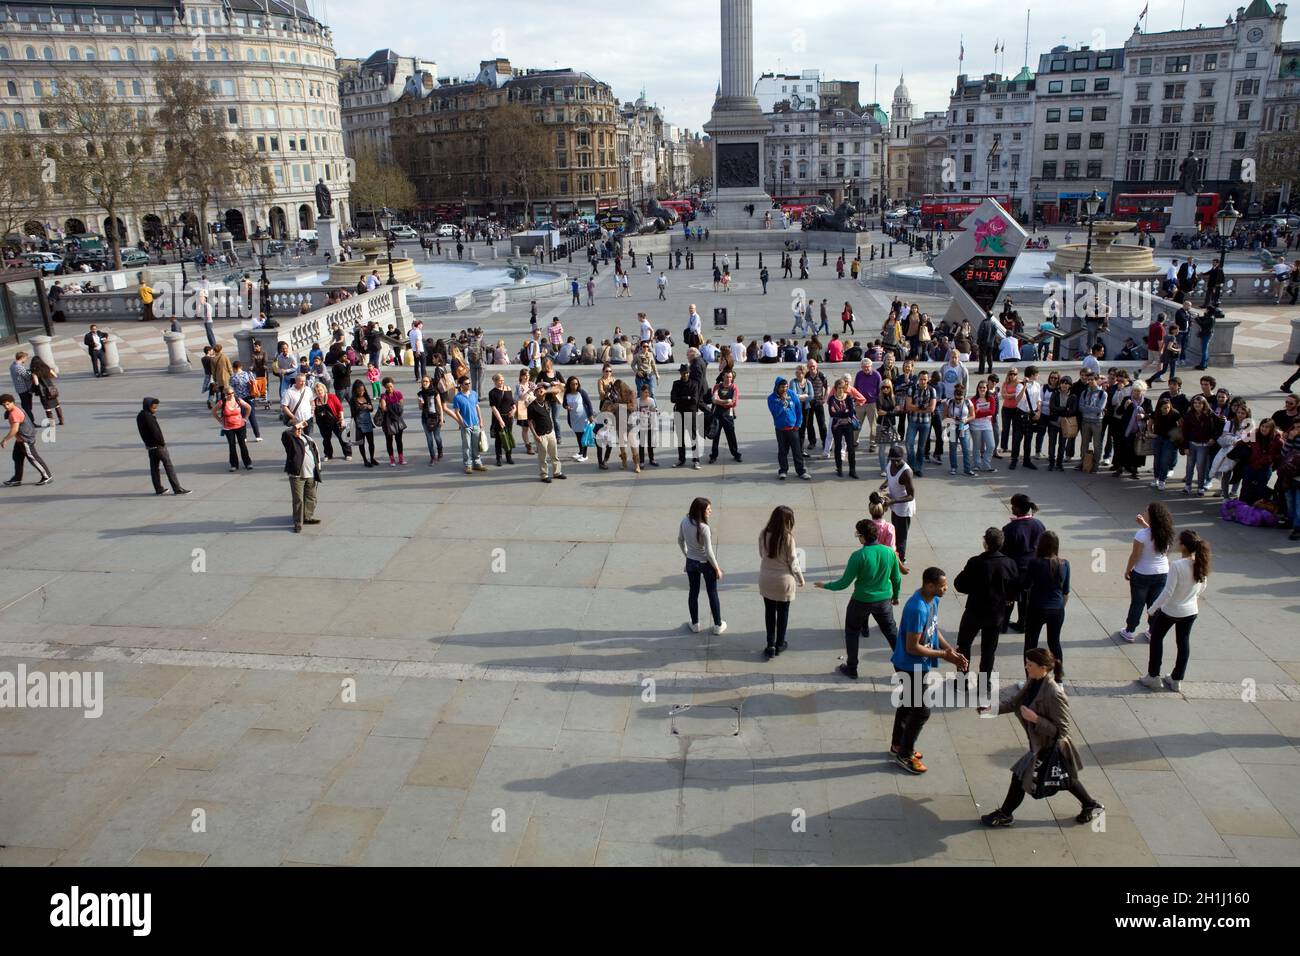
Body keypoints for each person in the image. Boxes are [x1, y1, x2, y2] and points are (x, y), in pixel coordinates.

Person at [978, 647, 1103, 827]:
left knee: (1020, 777)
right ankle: (1091, 805)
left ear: (1043, 667)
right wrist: (992, 710)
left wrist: (1036, 719)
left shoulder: (1054, 693)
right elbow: (1015, 702)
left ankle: (1005, 814)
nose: (1026, 667)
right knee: (1065, 779)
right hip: (1040, 745)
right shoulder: (1033, 680)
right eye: (1026, 664)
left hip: (1049, 747)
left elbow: (1062, 730)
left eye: (1030, 665)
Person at [891, 568, 966, 774]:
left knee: (907, 705)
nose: (946, 588)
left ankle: (898, 744)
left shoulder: (933, 600)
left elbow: (933, 628)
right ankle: (905, 754)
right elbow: (912, 647)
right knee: (922, 710)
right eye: (942, 585)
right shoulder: (917, 608)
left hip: (918, 664)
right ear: (929, 585)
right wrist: (943, 655)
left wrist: (948, 649)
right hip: (910, 665)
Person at [817, 518, 901, 678]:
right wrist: (895, 596)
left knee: (852, 631)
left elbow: (843, 583)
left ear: (862, 537)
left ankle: (852, 668)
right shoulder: (889, 552)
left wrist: (825, 585)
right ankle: (904, 666)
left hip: (861, 601)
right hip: (884, 601)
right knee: (891, 633)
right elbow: (896, 578)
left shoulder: (858, 556)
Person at [1140, 530, 1211, 693]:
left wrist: (1152, 609)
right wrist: (1193, 596)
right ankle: (1177, 679)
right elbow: (1203, 585)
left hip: (1171, 610)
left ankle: (1153, 676)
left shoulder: (1177, 566)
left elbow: (1167, 592)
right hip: (1190, 610)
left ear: (1184, 546)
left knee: (1157, 638)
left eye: (1180, 541)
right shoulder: (1201, 562)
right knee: (1183, 642)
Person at [954, 527, 1020, 677]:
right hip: (996, 614)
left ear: (985, 543)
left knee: (964, 645)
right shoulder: (1009, 563)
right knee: (988, 650)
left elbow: (959, 584)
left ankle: (962, 679)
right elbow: (1015, 588)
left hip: (974, 611)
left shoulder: (975, 562)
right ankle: (984, 685)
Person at [1119, 501, 1174, 643]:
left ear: (1152, 516)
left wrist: (1128, 569)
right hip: (1162, 573)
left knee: (1137, 603)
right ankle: (1152, 631)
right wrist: (1144, 524)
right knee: (1154, 603)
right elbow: (1153, 535)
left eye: (1146, 511)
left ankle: (1130, 631)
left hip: (1142, 573)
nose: (1143, 512)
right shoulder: (1166, 533)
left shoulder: (1141, 534)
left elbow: (1135, 555)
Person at [757, 506, 805, 658]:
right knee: (783, 613)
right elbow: (794, 562)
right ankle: (780, 643)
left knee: (769, 613)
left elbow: (761, 554)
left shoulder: (763, 534)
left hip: (766, 579)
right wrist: (801, 579)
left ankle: (770, 644)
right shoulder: (788, 538)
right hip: (784, 582)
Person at [1022, 531, 1070, 675]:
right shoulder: (1064, 564)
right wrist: (1060, 607)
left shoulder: (1035, 563)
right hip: (1057, 609)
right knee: (1054, 643)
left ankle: (1031, 679)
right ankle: (1058, 678)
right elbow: (1066, 591)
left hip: (1037, 608)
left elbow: (1025, 585)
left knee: (1030, 645)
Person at [678, 497, 725, 634]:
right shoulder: (704, 528)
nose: (710, 511)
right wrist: (717, 568)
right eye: (708, 509)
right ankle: (718, 625)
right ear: (701, 511)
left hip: (691, 562)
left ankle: (695, 623)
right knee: (712, 593)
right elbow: (709, 552)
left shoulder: (684, 521)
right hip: (705, 563)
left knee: (693, 592)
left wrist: (687, 555)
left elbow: (680, 540)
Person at [1001, 494, 1044, 633]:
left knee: (1009, 597)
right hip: (1032, 568)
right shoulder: (1039, 525)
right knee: (1026, 598)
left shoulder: (1010, 529)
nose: (1011, 508)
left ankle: (1003, 624)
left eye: (1013, 505)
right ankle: (1022, 624)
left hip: (1015, 569)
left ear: (1018, 509)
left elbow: (1004, 551)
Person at [136, 397, 191, 496]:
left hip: (150, 447)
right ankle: (177, 488)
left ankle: (158, 488)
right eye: (154, 407)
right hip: (158, 447)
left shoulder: (140, 416)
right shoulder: (149, 417)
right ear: (148, 407)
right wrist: (162, 443)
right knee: (169, 466)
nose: (155, 410)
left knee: (154, 468)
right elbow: (155, 432)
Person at [0, 393, 52, 487]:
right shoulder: (16, 408)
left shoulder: (14, 414)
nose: (6, 407)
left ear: (12, 402)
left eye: (8, 404)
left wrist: (5, 439)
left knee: (33, 458)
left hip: (25, 440)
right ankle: (17, 479)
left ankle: (47, 476)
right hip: (21, 439)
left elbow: (15, 429)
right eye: (4, 405)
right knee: (17, 458)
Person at [282, 419, 323, 533]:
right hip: (297, 475)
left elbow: (316, 452)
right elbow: (286, 433)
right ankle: (298, 522)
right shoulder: (289, 440)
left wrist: (318, 467)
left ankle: (307, 517)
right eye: (296, 429)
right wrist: (296, 425)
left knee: (311, 497)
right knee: (298, 499)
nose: (299, 430)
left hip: (311, 473)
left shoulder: (308, 439)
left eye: (300, 429)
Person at [768, 377, 808, 480]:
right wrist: (782, 401)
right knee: (782, 451)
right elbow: (775, 413)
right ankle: (783, 470)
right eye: (782, 387)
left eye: (786, 387)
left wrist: (798, 424)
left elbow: (799, 410)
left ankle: (801, 471)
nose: (785, 389)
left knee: (797, 451)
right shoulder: (771, 398)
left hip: (793, 428)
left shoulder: (792, 394)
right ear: (777, 387)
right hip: (780, 429)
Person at [446, 376, 486, 474]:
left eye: (469, 383)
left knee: (476, 445)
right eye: (466, 384)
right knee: (467, 446)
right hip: (466, 425)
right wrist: (462, 422)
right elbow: (457, 411)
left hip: (475, 423)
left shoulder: (474, 394)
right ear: (461, 385)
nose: (468, 385)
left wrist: (481, 420)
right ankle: (468, 465)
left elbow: (477, 407)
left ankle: (477, 463)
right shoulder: (457, 397)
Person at [526, 388, 564, 482]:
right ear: (535, 393)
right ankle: (544, 475)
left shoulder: (546, 402)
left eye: (543, 392)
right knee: (543, 457)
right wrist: (535, 436)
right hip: (540, 435)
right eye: (539, 391)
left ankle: (557, 472)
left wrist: (546, 391)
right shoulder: (532, 406)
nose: (542, 393)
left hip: (550, 432)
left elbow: (558, 391)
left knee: (554, 455)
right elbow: (530, 423)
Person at [213, 386, 253, 473]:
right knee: (232, 445)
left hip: (240, 425)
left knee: (242, 444)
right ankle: (234, 464)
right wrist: (220, 421)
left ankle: (248, 463)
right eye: (228, 394)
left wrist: (245, 418)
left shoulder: (237, 399)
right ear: (225, 394)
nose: (231, 395)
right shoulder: (222, 402)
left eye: (232, 393)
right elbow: (214, 411)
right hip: (228, 428)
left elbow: (249, 407)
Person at [312, 382, 352, 462]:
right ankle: (328, 454)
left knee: (342, 437)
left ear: (324, 389)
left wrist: (342, 419)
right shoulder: (315, 401)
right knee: (326, 440)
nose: (319, 392)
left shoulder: (332, 397)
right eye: (317, 391)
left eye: (320, 390)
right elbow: (313, 413)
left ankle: (348, 453)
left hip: (336, 421)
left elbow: (339, 407)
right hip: (323, 423)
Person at [708, 369, 741, 463]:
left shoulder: (734, 387)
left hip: (728, 416)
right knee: (715, 436)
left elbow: (733, 403)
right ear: (723, 377)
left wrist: (719, 401)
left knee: (731, 436)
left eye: (730, 377)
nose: (728, 379)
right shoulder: (717, 386)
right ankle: (713, 456)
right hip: (717, 415)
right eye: (726, 377)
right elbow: (713, 400)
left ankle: (736, 454)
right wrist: (726, 401)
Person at [563, 375, 594, 464]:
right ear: (569, 385)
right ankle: (581, 452)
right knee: (578, 435)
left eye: (576, 384)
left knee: (584, 436)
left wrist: (591, 415)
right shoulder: (567, 394)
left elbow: (589, 404)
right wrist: (566, 407)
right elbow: (564, 404)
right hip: (573, 418)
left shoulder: (582, 392)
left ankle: (585, 455)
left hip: (583, 418)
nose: (575, 386)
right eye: (573, 384)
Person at [487, 373, 516, 467]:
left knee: (508, 436)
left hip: (509, 417)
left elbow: (512, 403)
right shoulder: (492, 393)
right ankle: (498, 458)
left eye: (503, 380)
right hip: (498, 418)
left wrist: (514, 410)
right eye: (500, 380)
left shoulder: (508, 389)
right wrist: (500, 420)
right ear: (495, 381)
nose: (502, 382)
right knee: (499, 438)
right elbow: (494, 408)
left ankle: (509, 456)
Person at [377, 377, 407, 466]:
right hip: (387, 422)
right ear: (384, 387)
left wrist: (390, 407)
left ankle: (401, 458)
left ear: (393, 385)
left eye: (391, 386)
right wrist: (393, 407)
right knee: (389, 440)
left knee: (399, 440)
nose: (390, 389)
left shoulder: (398, 393)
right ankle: (392, 459)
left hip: (397, 420)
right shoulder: (383, 396)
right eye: (387, 387)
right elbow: (383, 408)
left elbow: (401, 406)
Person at [417, 374, 446, 465]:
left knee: (437, 437)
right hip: (425, 418)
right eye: (423, 381)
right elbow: (420, 408)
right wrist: (421, 404)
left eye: (426, 381)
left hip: (435, 417)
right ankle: (432, 457)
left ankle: (440, 450)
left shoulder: (435, 392)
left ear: (430, 383)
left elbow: (439, 406)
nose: (424, 383)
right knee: (429, 439)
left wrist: (441, 418)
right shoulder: (420, 394)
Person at [28, 355, 63, 428]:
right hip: (51, 389)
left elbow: (37, 383)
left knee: (47, 407)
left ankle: (52, 423)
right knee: (57, 405)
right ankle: (61, 420)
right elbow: (55, 376)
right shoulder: (47, 368)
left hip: (43, 392)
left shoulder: (35, 372)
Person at [349, 380, 377, 467]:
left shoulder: (366, 396)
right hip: (359, 424)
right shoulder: (353, 399)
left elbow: (371, 409)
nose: (362, 392)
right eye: (359, 391)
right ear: (355, 390)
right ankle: (365, 460)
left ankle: (372, 458)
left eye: (363, 390)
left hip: (368, 422)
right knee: (362, 443)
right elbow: (353, 413)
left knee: (371, 442)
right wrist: (361, 407)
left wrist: (369, 407)